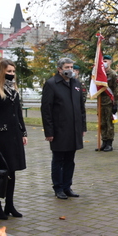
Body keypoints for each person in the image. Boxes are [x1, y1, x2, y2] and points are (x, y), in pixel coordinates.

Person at [0, 59, 27, 220]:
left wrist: (23, 132)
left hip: (14, 136)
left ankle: (9, 204)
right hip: (0, 138)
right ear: (1, 72)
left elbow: (18, 113)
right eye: (8, 72)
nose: (12, 75)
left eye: (13, 72)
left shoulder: (14, 90)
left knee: (11, 172)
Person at [41, 57, 86, 199]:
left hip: (74, 129)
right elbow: (46, 110)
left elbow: (81, 107)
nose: (70, 70)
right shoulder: (51, 84)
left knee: (70, 159)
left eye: (72, 67)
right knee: (58, 159)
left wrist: (82, 127)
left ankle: (67, 186)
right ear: (59, 69)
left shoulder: (76, 83)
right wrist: (49, 131)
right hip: (59, 129)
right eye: (67, 67)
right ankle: (58, 188)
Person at [98, 54, 118, 152]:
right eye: (103, 61)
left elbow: (117, 89)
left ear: (110, 62)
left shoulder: (113, 74)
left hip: (109, 101)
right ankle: (104, 141)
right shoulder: (100, 74)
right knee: (102, 123)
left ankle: (109, 143)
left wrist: (115, 103)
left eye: (106, 61)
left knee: (109, 123)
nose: (104, 63)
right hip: (100, 102)